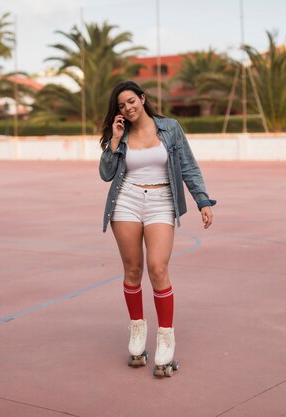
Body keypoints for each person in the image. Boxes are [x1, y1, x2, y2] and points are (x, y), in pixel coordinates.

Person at [99, 80, 216, 377]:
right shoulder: (120, 134)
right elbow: (106, 173)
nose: (128, 107)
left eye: (131, 101)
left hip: (163, 199)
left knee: (158, 268)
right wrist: (114, 142)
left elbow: (188, 166)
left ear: (142, 98)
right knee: (133, 269)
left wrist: (202, 200)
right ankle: (137, 330)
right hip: (126, 200)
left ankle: (165, 337)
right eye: (121, 105)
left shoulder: (170, 128)